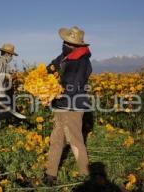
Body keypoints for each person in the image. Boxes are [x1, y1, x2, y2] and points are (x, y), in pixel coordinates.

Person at [43, 26, 92, 185]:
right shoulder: (66, 56)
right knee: (56, 139)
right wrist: (43, 78)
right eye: (64, 42)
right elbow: (50, 68)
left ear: (76, 45)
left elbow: (73, 85)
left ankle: (85, 174)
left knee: (75, 140)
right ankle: (51, 174)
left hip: (72, 107)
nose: (64, 44)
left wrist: (54, 93)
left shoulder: (81, 61)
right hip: (61, 105)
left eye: (67, 42)